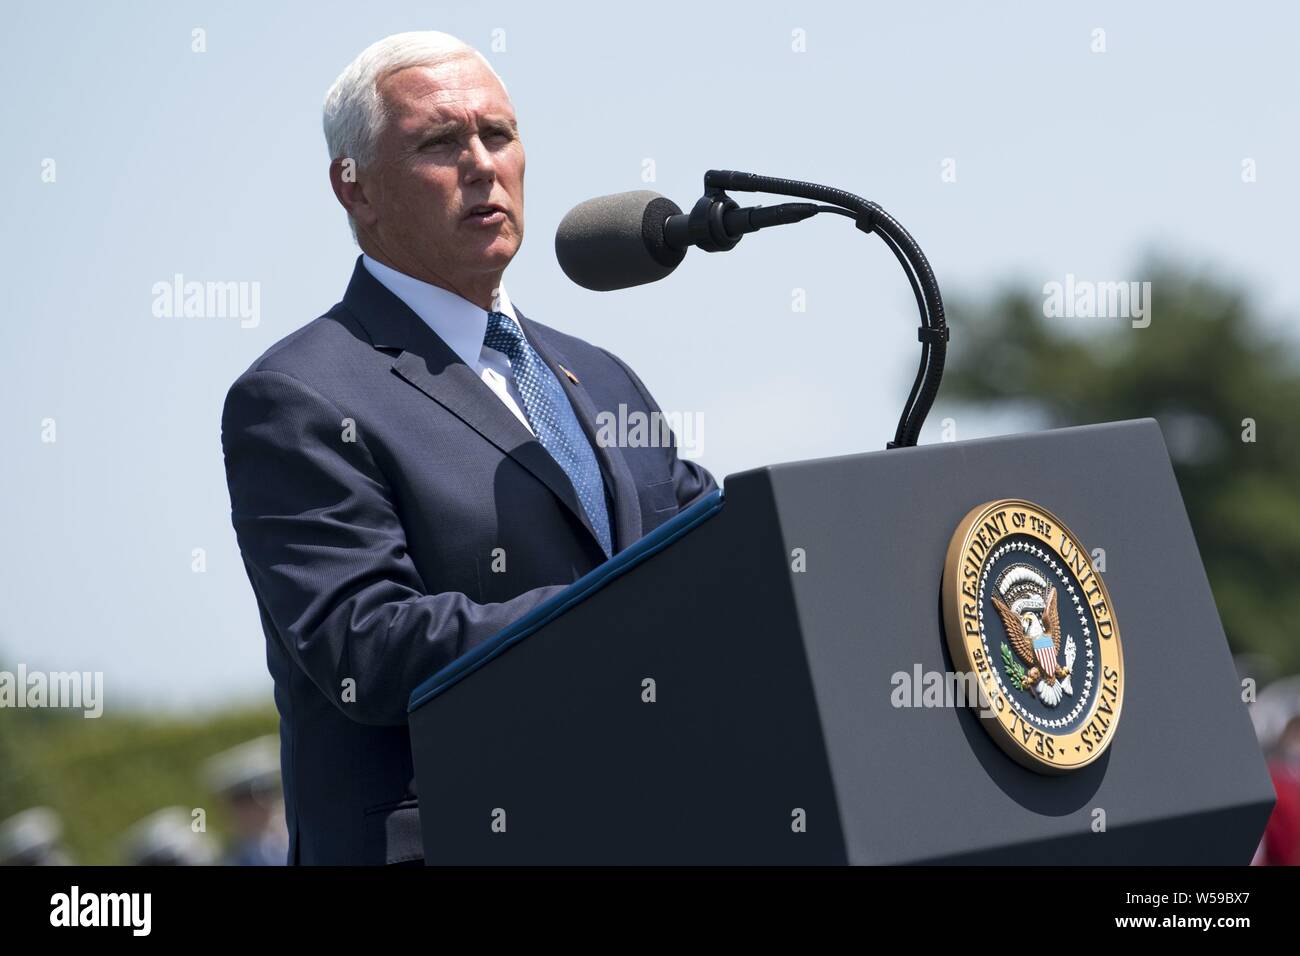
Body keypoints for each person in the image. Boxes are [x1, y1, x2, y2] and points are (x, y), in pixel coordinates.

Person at [220, 31, 717, 865]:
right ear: (357, 189)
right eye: (440, 143)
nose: (482, 163)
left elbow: (715, 558)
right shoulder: (299, 397)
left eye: (499, 134)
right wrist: (619, 618)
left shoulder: (603, 377)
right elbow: (364, 647)